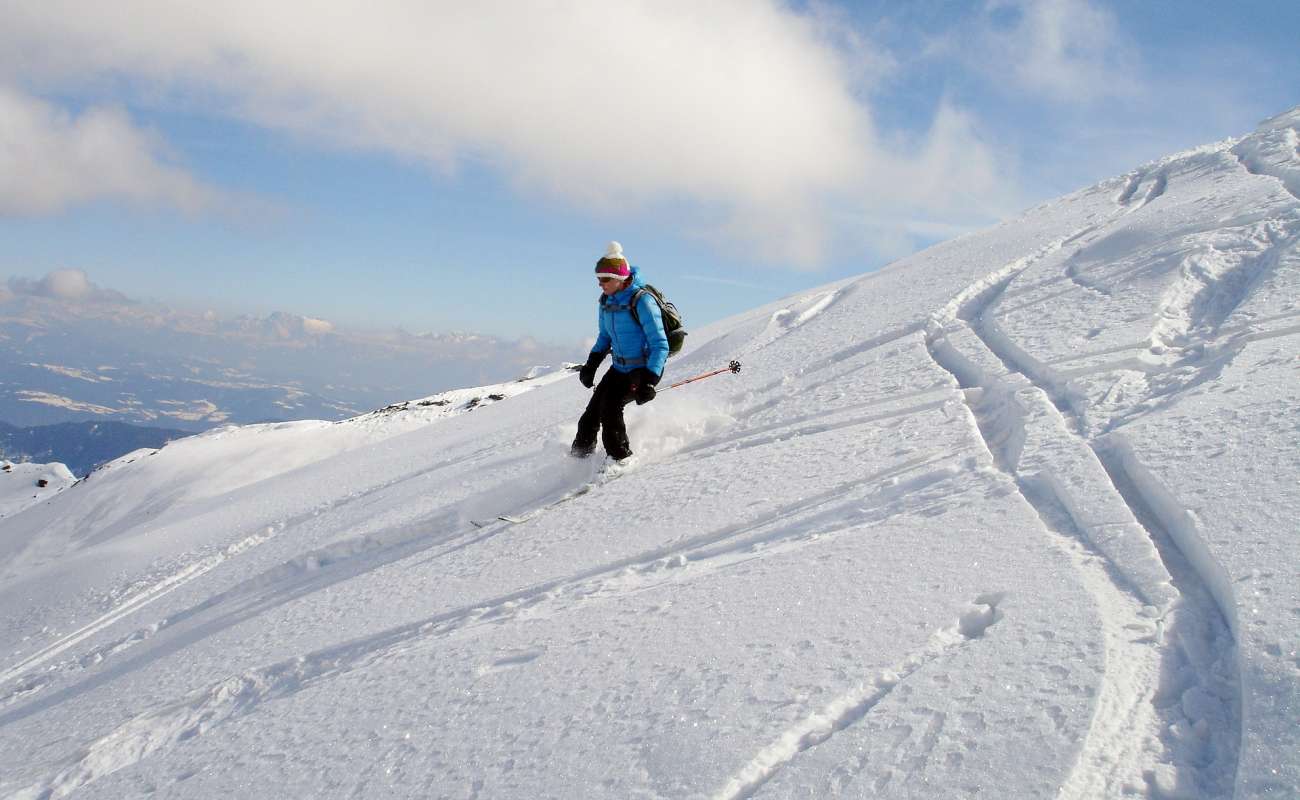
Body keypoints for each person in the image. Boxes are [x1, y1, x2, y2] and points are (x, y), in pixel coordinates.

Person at [571, 241, 669, 461]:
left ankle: (621, 460)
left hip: (642, 370)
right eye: (598, 279)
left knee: (610, 408)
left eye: (605, 279)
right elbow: (605, 337)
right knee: (590, 416)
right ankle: (577, 460)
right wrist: (591, 366)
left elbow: (660, 344)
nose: (600, 283)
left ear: (619, 278)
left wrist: (650, 380)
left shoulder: (642, 301)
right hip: (618, 368)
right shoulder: (606, 302)